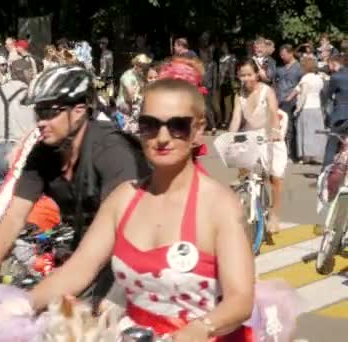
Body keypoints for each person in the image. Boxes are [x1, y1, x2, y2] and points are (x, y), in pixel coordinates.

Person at [26, 79, 254, 341]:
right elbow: (79, 269)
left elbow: (241, 299)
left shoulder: (220, 206)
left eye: (178, 126)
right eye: (150, 125)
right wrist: (19, 306)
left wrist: (201, 328)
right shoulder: (123, 198)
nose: (163, 138)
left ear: (198, 129)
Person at [0, 65, 149, 301]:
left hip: (135, 250)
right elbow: (15, 214)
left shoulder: (111, 150)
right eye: (38, 113)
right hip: (85, 248)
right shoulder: (43, 152)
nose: (41, 122)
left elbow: (121, 229)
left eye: (50, 112)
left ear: (79, 110)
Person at [0, 59, 37, 229]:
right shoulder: (31, 95)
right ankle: (19, 238)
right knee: (24, 198)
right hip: (20, 153)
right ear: (27, 73)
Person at [229, 59, 284, 234]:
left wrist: (275, 131)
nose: (246, 78)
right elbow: (236, 118)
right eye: (242, 75)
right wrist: (230, 137)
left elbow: (273, 112)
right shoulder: (240, 95)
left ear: (257, 75)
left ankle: (275, 214)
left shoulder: (267, 91)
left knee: (275, 178)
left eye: (249, 74)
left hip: (270, 135)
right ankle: (246, 191)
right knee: (244, 166)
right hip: (251, 135)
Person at [284, 57, 326, 164]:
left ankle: (306, 156)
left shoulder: (305, 78)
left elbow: (303, 94)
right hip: (317, 107)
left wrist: (297, 108)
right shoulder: (318, 78)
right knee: (316, 132)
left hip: (306, 108)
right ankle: (316, 155)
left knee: (306, 132)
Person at [276, 44, 303, 161]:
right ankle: (283, 151)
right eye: (281, 55)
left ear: (291, 53)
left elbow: (302, 84)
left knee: (291, 126)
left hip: (292, 100)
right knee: (281, 126)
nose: (282, 57)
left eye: (284, 54)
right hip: (280, 99)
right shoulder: (280, 68)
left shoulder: (299, 67)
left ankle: (292, 152)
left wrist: (292, 95)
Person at [322, 55, 348, 168]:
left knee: (332, 144)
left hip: (340, 115)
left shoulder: (336, 77)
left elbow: (327, 95)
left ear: (333, 63)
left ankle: (325, 171)